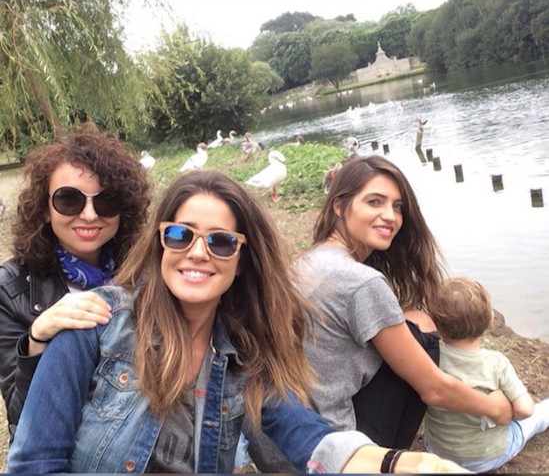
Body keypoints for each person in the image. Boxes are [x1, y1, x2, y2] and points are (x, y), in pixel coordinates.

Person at [7, 170, 467, 474]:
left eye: (221, 242)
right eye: (180, 235)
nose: (198, 253)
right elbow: (34, 463)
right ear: (161, 242)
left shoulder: (244, 357)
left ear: (243, 259)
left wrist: (392, 463)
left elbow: (308, 435)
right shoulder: (96, 324)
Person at [296, 155, 513, 450]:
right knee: (423, 332)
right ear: (339, 206)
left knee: (413, 319)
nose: (391, 216)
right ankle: (388, 458)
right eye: (374, 202)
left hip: (289, 433)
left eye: (397, 206)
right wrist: (495, 409)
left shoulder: (313, 258)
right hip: (328, 448)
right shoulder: (361, 281)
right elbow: (434, 389)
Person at [0, 123, 151, 439]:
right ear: (44, 209)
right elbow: (20, 414)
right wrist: (36, 339)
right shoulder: (10, 289)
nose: (90, 214)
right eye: (69, 200)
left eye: (106, 200)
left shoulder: (145, 272)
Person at [423, 276, 549, 472]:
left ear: (436, 324)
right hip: (487, 458)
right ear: (490, 320)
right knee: (540, 414)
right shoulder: (497, 363)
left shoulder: (428, 357)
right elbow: (525, 410)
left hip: (438, 453)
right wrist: (504, 411)